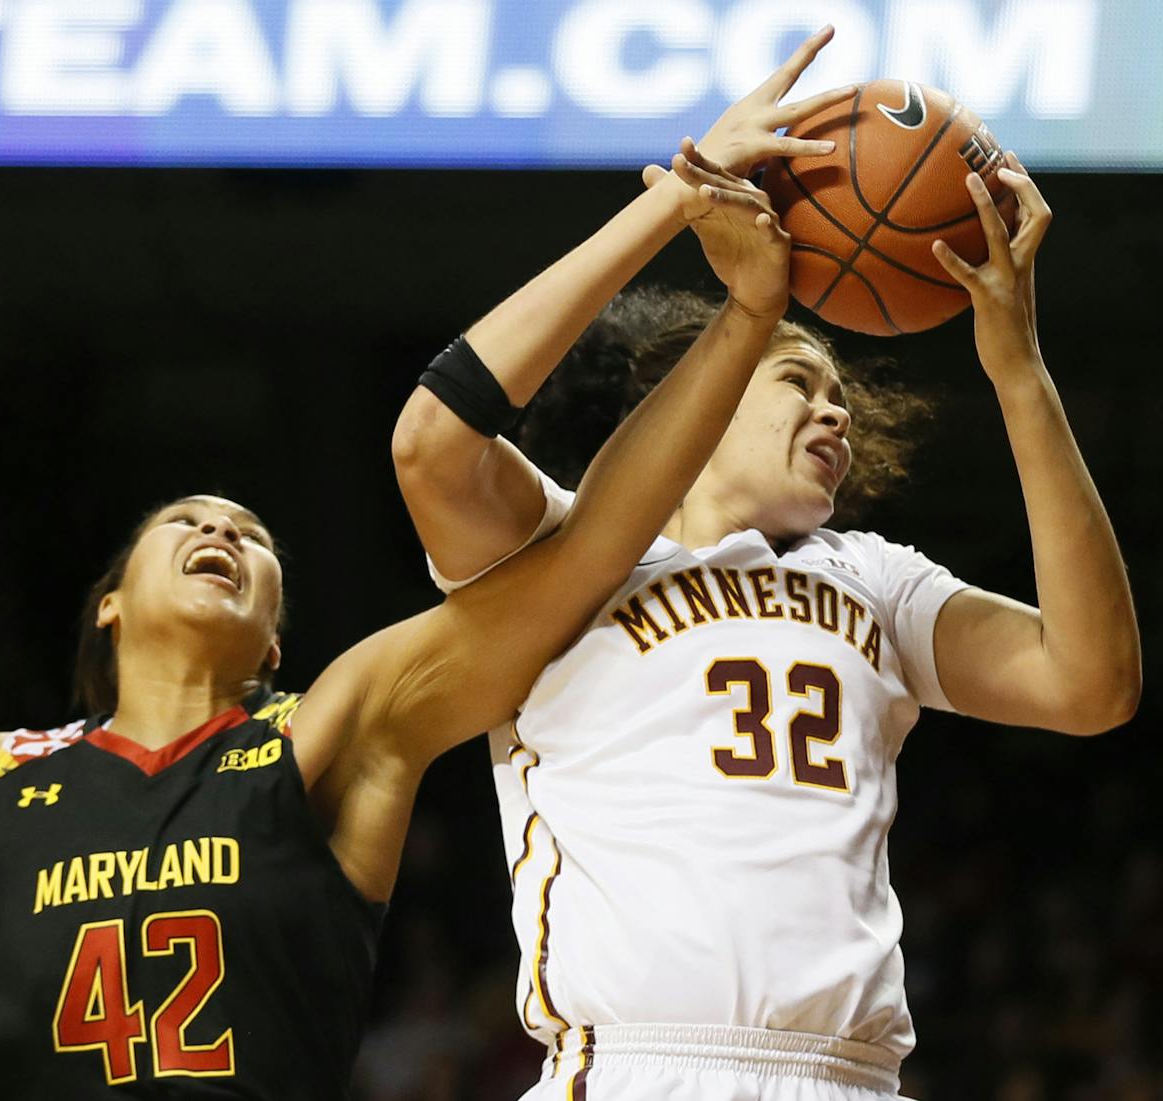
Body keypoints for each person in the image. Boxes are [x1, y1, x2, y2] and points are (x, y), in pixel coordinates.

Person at [0, 143, 791, 1098]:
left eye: (250, 533)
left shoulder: (330, 729)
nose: (217, 528)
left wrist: (744, 315)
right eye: (183, 521)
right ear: (108, 604)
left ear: (274, 636)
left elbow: (581, 560)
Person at [390, 56, 1141, 1101]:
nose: (834, 413)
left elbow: (1090, 683)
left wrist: (1017, 370)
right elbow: (431, 444)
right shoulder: (554, 561)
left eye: (840, 394)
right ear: (691, 393)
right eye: (798, 380)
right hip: (635, 1069)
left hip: (850, 1076)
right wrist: (674, 204)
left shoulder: (873, 579)